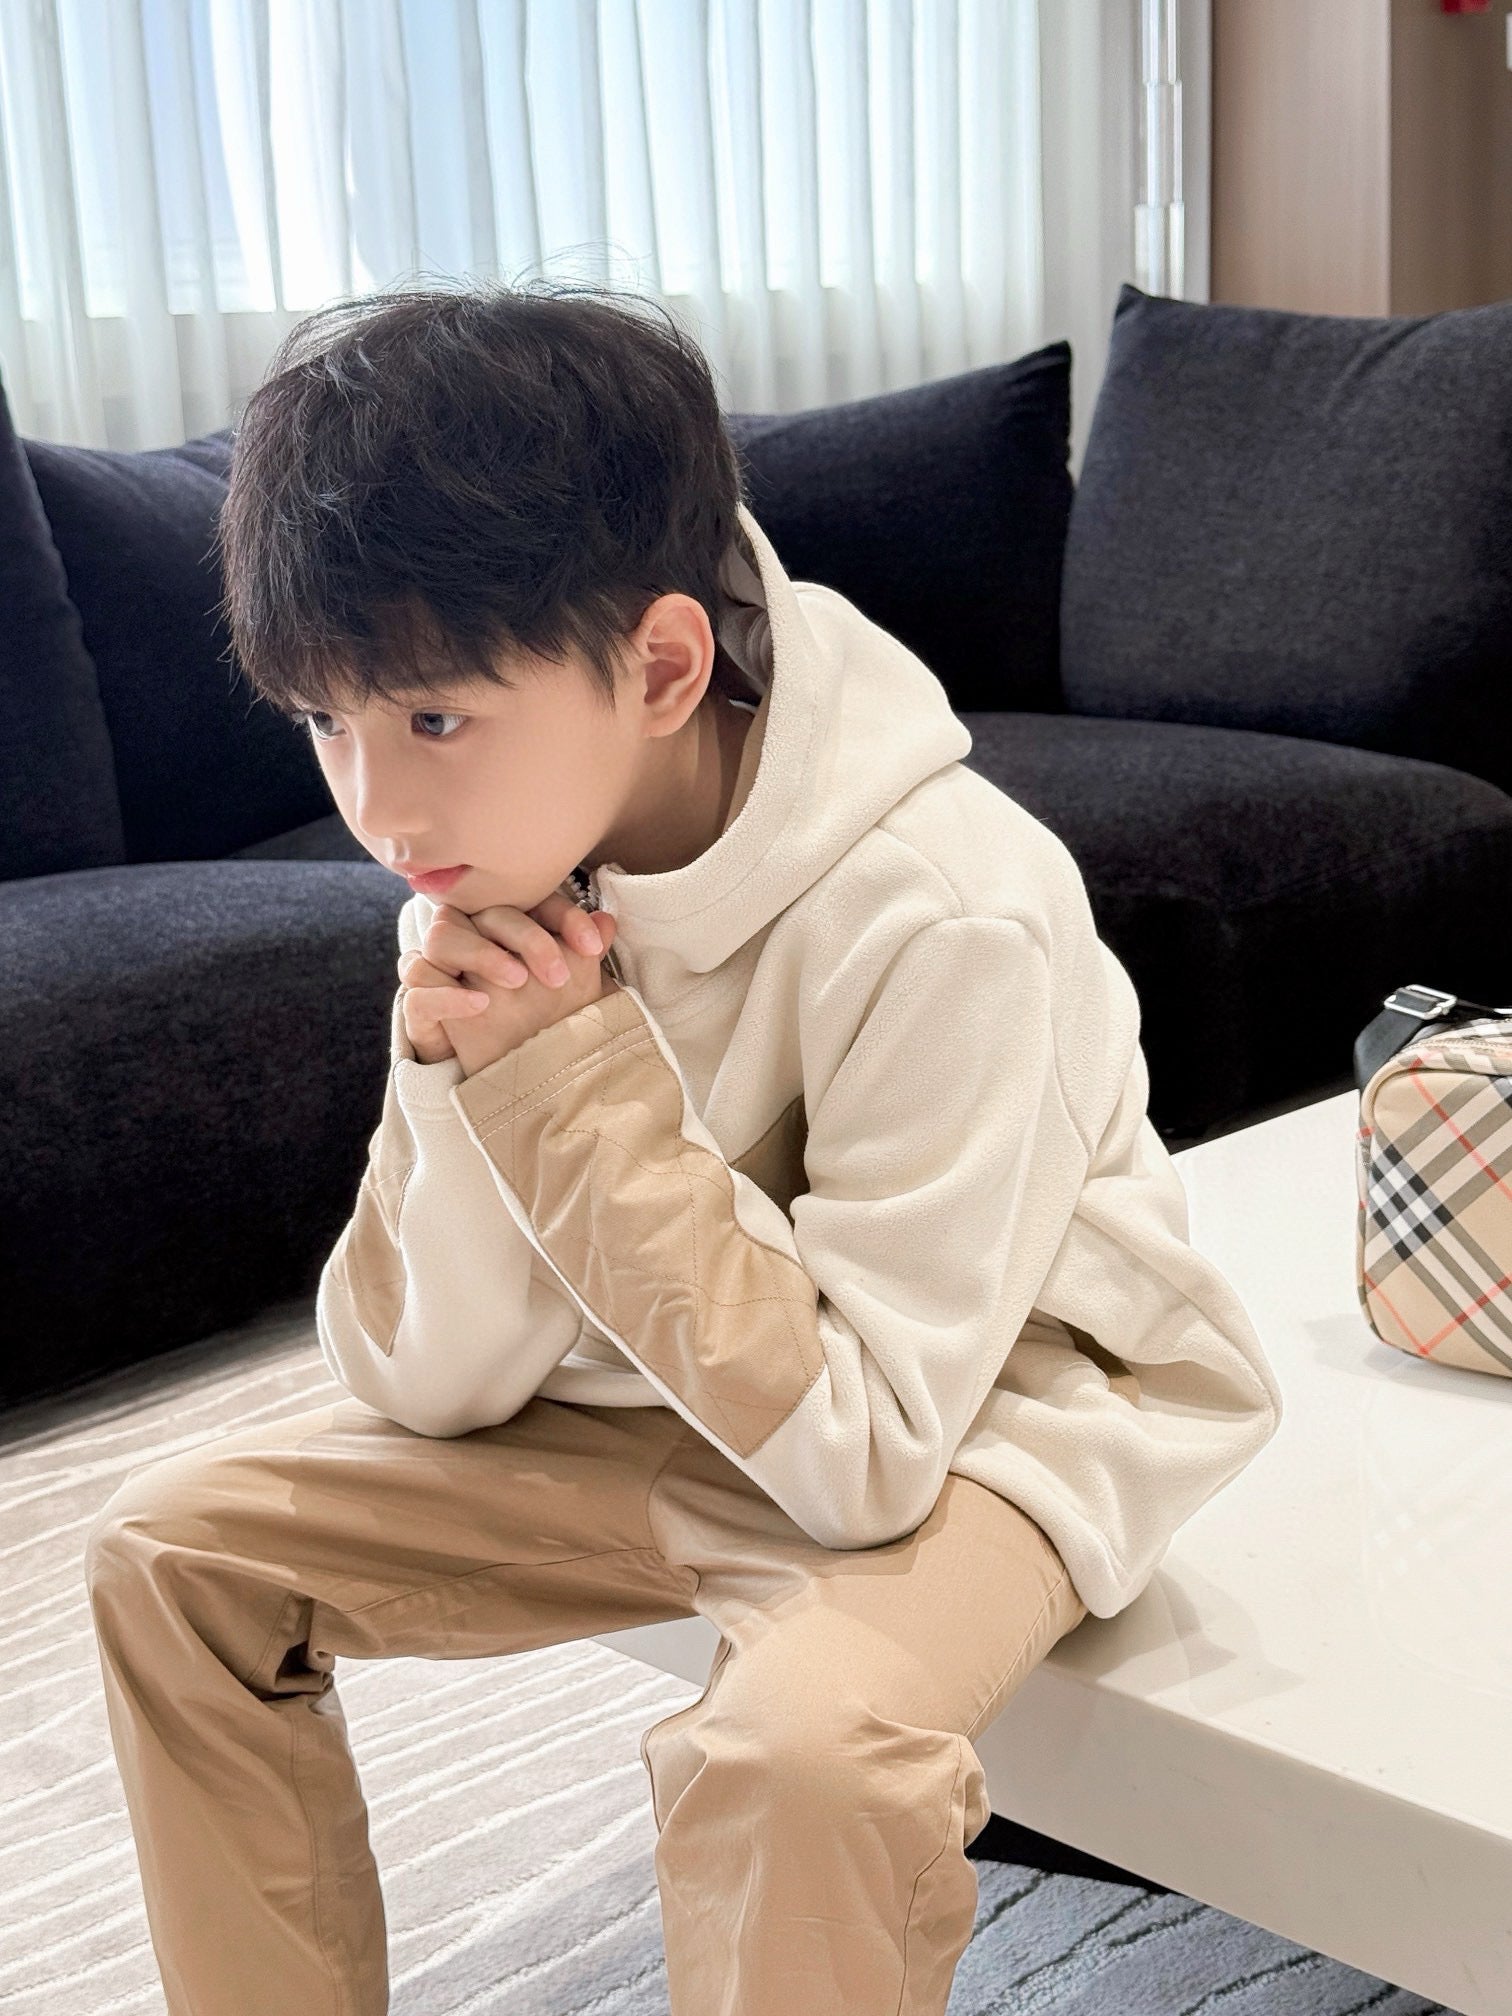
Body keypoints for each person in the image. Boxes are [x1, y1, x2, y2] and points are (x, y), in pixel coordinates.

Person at [84, 279, 1283, 2016]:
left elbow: (867, 1460)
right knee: (172, 1558)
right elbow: (427, 1387)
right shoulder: (494, 872)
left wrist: (572, 1091)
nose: (379, 808)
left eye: (432, 717)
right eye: (328, 724)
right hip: (662, 1403)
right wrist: (471, 1083)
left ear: (660, 665)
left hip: (986, 1426)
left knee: (797, 1758)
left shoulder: (949, 906)